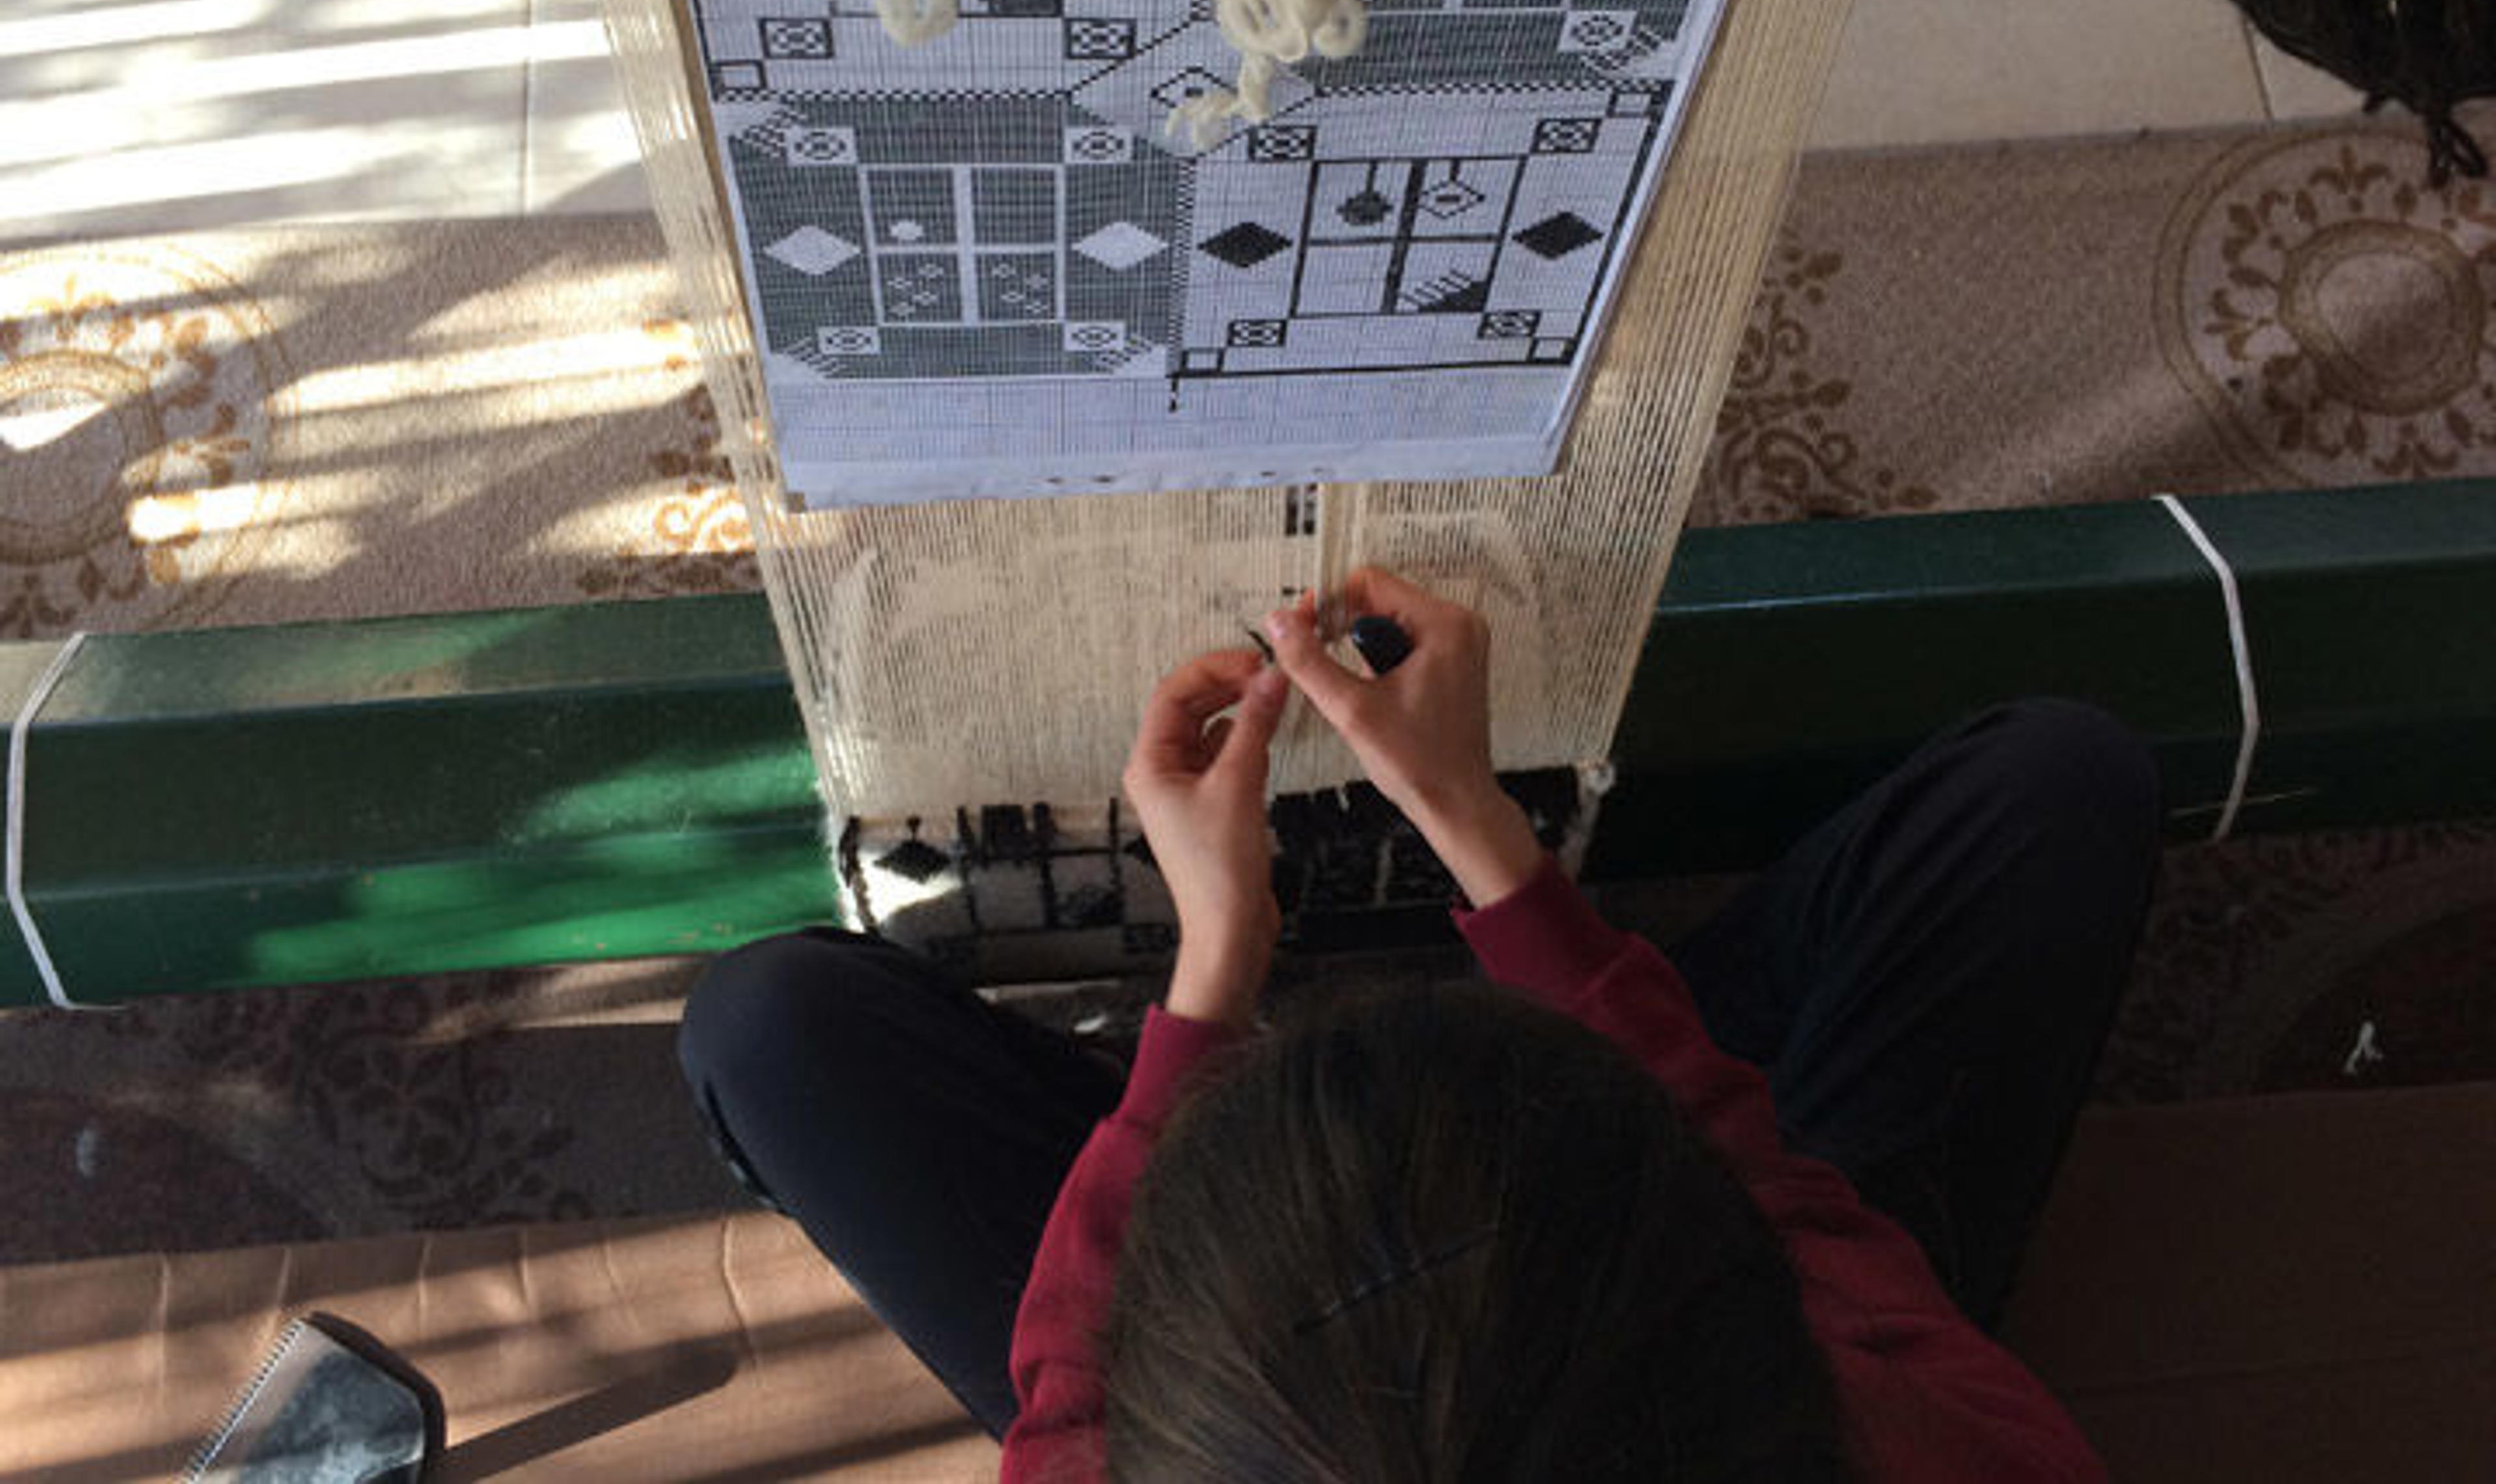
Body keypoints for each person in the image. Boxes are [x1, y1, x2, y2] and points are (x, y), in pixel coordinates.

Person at [679, 569, 2157, 1480]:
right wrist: (1478, 831)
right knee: (2055, 791)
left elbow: (1069, 1387)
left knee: (770, 1032)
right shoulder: (1955, 1449)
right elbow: (1773, 1196)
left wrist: (1215, 974)